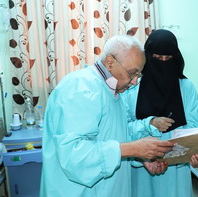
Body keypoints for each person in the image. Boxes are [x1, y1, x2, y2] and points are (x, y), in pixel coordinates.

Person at [40, 35, 175, 197]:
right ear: (110, 62)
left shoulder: (113, 91)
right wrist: (132, 149)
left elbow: (113, 137)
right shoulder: (80, 88)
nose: (134, 82)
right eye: (132, 74)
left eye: (138, 75)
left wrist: (140, 157)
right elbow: (74, 156)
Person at [121, 29, 198, 197]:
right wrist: (150, 123)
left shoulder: (186, 88)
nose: (163, 64)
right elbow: (122, 129)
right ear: (147, 57)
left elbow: (194, 129)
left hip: (175, 170)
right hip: (141, 167)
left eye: (168, 59)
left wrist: (197, 154)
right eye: (157, 59)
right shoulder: (132, 87)